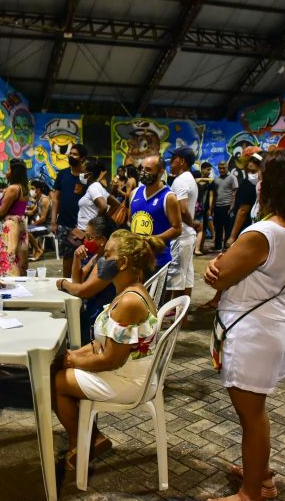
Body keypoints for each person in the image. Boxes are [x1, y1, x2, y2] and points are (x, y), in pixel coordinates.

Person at [203, 149, 285, 501]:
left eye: (261, 175)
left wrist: (216, 268)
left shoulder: (263, 232)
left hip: (252, 331)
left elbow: (220, 274)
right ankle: (260, 476)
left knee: (252, 417)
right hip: (272, 325)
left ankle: (252, 499)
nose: (257, 180)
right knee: (256, 413)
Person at [52, 230, 163, 470]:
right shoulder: (124, 292)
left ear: (122, 263)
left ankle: (81, 443)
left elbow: (111, 359)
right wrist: (71, 357)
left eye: (107, 254)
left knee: (55, 381)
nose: (101, 259)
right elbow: (101, 343)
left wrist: (73, 362)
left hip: (130, 379)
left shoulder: (130, 301)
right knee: (54, 367)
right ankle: (92, 438)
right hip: (123, 369)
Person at [57, 216, 117, 345]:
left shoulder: (108, 262)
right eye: (85, 236)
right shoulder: (97, 257)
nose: (85, 241)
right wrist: (76, 258)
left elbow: (82, 291)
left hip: (102, 319)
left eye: (89, 237)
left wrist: (62, 283)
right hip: (93, 311)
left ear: (102, 240)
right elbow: (77, 281)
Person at [128, 154, 182, 272]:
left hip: (158, 261)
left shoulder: (169, 197)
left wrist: (152, 239)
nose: (143, 172)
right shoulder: (134, 193)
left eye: (148, 170)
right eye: (142, 169)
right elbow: (130, 221)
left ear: (160, 172)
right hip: (136, 258)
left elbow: (177, 228)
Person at [166, 147, 200, 321]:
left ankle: (178, 314)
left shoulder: (180, 181)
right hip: (187, 235)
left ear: (181, 161)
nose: (170, 163)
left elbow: (182, 208)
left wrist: (192, 224)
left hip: (182, 235)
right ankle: (182, 314)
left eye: (173, 159)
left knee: (178, 276)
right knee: (186, 275)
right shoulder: (188, 178)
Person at [51, 144, 88, 277]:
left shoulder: (87, 177)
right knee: (67, 257)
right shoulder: (62, 174)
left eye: (75, 154)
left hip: (82, 226)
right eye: (70, 153)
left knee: (83, 257)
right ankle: (66, 283)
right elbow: (56, 198)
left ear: (82, 158)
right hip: (64, 224)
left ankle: (81, 286)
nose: (71, 156)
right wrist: (54, 220)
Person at [0, 159, 30, 276]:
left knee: (9, 254)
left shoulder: (13, 188)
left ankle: (10, 281)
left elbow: (3, 212)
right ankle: (21, 280)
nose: (6, 172)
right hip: (21, 223)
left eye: (8, 169)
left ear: (14, 172)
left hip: (11, 225)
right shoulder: (24, 188)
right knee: (20, 255)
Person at [226, 148, 263, 248]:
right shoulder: (250, 182)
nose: (251, 174)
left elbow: (243, 211)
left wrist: (233, 236)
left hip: (244, 228)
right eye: (248, 170)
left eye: (253, 171)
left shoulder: (251, 185)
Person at [77, 158, 112, 236]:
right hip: (86, 231)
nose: (81, 175)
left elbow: (103, 206)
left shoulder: (93, 187)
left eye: (83, 172)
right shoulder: (96, 186)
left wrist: (94, 226)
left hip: (89, 233)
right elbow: (114, 203)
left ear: (90, 174)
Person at [211, 161, 238, 252]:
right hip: (217, 207)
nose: (222, 170)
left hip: (228, 206)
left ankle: (226, 246)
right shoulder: (216, 179)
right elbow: (213, 195)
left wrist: (232, 206)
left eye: (224, 168)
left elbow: (235, 193)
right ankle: (217, 246)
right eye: (220, 168)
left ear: (227, 168)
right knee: (218, 228)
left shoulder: (232, 178)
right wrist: (212, 207)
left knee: (228, 228)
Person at [27, 179, 52, 261]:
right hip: (42, 225)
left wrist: (31, 225)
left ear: (38, 189)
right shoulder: (39, 199)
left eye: (33, 188)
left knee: (27, 230)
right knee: (25, 229)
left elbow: (43, 218)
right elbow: (31, 212)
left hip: (48, 226)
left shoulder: (44, 200)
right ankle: (38, 249)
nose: (31, 191)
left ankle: (38, 250)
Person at [195, 161, 215, 255]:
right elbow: (195, 180)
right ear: (202, 169)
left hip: (205, 208)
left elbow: (211, 195)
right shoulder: (196, 179)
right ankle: (196, 248)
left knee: (203, 228)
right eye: (207, 169)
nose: (209, 171)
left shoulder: (210, 182)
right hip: (195, 208)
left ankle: (200, 247)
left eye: (210, 170)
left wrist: (210, 208)